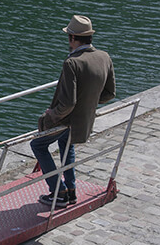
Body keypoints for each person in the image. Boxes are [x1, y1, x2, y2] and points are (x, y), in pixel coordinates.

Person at [31, 15, 115, 208]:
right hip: (84, 120)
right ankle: (71, 191)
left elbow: (68, 103)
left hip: (67, 120)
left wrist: (50, 115)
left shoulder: (72, 63)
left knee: (38, 146)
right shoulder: (104, 57)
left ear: (72, 38)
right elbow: (109, 93)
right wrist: (89, 103)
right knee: (67, 147)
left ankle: (58, 192)